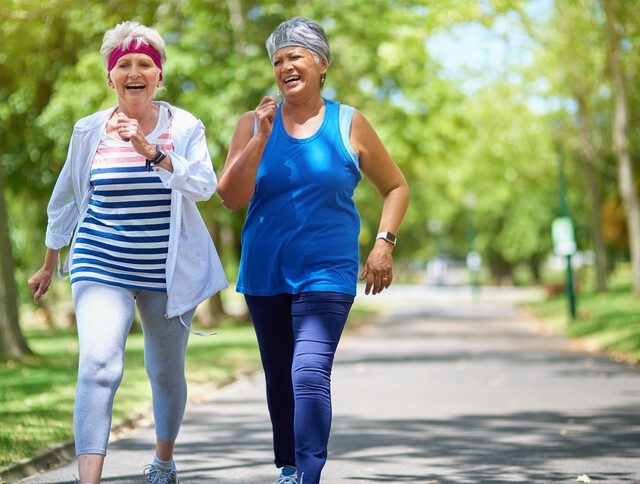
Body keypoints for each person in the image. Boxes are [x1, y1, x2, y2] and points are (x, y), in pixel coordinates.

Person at [27, 20, 227, 484]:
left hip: (166, 267)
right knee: (99, 366)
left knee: (166, 373)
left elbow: (203, 186)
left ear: (159, 76)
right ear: (109, 76)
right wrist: (50, 261)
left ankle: (163, 459)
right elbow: (67, 200)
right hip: (100, 261)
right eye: (124, 65)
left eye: (144, 64)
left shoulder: (185, 126)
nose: (134, 71)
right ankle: (89, 481)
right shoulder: (88, 130)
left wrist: (150, 151)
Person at [217, 16, 409, 484]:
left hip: (327, 272)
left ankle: (308, 475)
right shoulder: (252, 122)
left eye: (295, 56)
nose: (285, 67)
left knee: (308, 373)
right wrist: (261, 138)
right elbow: (230, 196)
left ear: (321, 64)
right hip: (265, 272)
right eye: (278, 60)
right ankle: (289, 467)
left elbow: (396, 186)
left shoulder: (349, 122)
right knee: (280, 378)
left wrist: (384, 244)